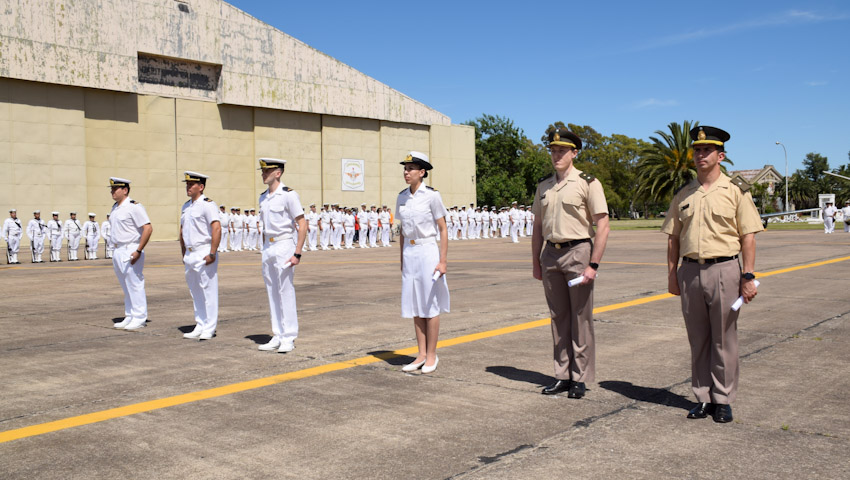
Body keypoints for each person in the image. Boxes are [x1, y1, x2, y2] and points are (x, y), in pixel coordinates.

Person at [661, 125, 763, 423]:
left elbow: (748, 237)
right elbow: (673, 238)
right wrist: (671, 275)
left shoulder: (735, 192)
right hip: (690, 271)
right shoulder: (684, 194)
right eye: (697, 150)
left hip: (725, 270)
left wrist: (748, 276)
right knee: (698, 339)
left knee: (724, 338)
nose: (700, 154)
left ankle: (723, 399)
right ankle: (702, 398)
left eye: (707, 150)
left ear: (720, 156)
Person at [532, 127, 610, 399]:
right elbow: (538, 226)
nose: (556, 155)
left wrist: (594, 264)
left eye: (561, 151)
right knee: (559, 318)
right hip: (550, 254)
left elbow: (602, 224)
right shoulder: (544, 185)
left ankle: (580, 377)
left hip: (578, 252)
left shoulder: (588, 183)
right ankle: (562, 375)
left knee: (580, 318)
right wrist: (536, 261)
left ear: (574, 153)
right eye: (553, 151)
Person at [396, 151, 450, 374]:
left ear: (422, 172)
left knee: (429, 304)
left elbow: (443, 228)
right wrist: (401, 258)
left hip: (428, 250)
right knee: (415, 304)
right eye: (405, 168)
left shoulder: (432, 196)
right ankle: (420, 353)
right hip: (410, 251)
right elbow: (401, 231)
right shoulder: (401, 196)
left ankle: (432, 355)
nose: (406, 172)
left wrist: (443, 260)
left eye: (411, 169)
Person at [257, 158, 307, 353]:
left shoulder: (289, 195)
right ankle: (277, 334)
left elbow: (302, 224)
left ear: (278, 173)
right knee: (272, 292)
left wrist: (297, 252)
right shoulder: (263, 197)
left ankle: (289, 337)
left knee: (285, 291)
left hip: (284, 243)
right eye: (262, 171)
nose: (263, 174)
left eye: (267, 171)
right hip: (268, 246)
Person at [179, 171, 222, 340]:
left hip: (204, 251)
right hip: (190, 254)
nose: (188, 187)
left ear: (201, 187)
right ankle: (200, 323)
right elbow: (182, 231)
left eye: (192, 184)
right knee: (195, 291)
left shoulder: (208, 205)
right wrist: (183, 253)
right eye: (187, 184)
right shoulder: (186, 206)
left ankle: (209, 327)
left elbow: (216, 228)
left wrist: (212, 252)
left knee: (208, 292)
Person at [108, 177, 153, 330]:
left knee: (135, 284)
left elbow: (147, 228)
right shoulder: (115, 207)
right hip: (118, 249)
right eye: (112, 189)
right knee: (126, 286)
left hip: (131, 248)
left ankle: (140, 317)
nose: (112, 191)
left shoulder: (134, 207)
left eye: (116, 189)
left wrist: (139, 250)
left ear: (125, 190)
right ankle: (130, 315)